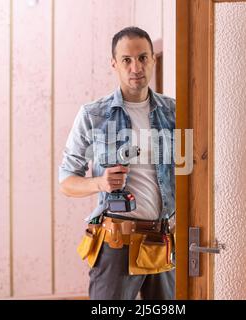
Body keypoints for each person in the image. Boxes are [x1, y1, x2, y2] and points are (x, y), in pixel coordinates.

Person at [59, 26, 175, 300]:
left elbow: (193, 170)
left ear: (153, 60)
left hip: (164, 239)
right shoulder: (93, 115)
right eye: (127, 60)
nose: (136, 67)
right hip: (116, 242)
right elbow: (66, 181)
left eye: (143, 57)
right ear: (114, 64)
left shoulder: (174, 112)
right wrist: (99, 182)